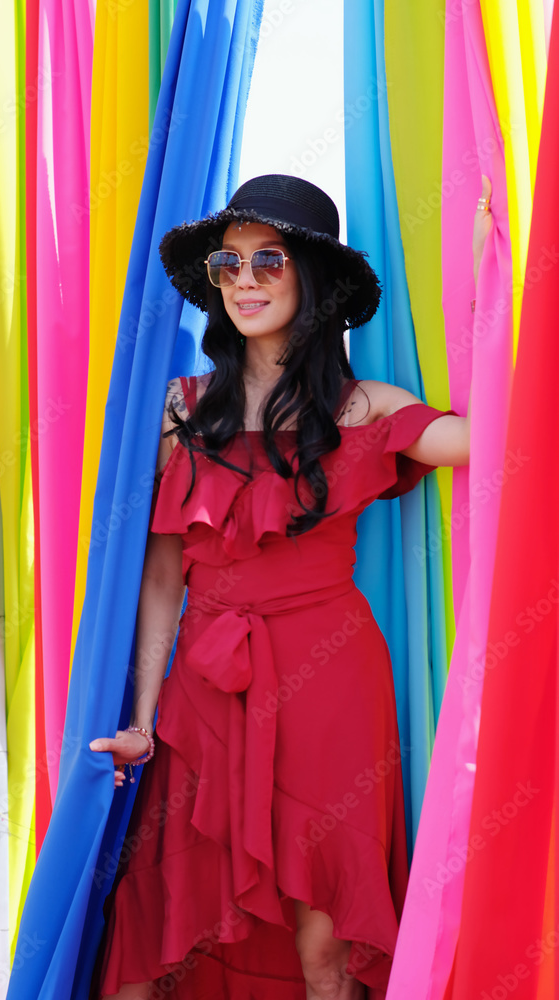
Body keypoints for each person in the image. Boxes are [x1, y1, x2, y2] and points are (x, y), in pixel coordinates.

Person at [89, 173, 492, 1000]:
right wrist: (139, 719)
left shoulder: (362, 409)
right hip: (203, 688)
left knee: (325, 946)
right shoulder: (180, 408)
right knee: (168, 925)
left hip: (331, 679)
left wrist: (493, 269)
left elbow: (493, 441)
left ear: (311, 279)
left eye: (266, 261)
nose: (242, 282)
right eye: (227, 266)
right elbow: (161, 575)